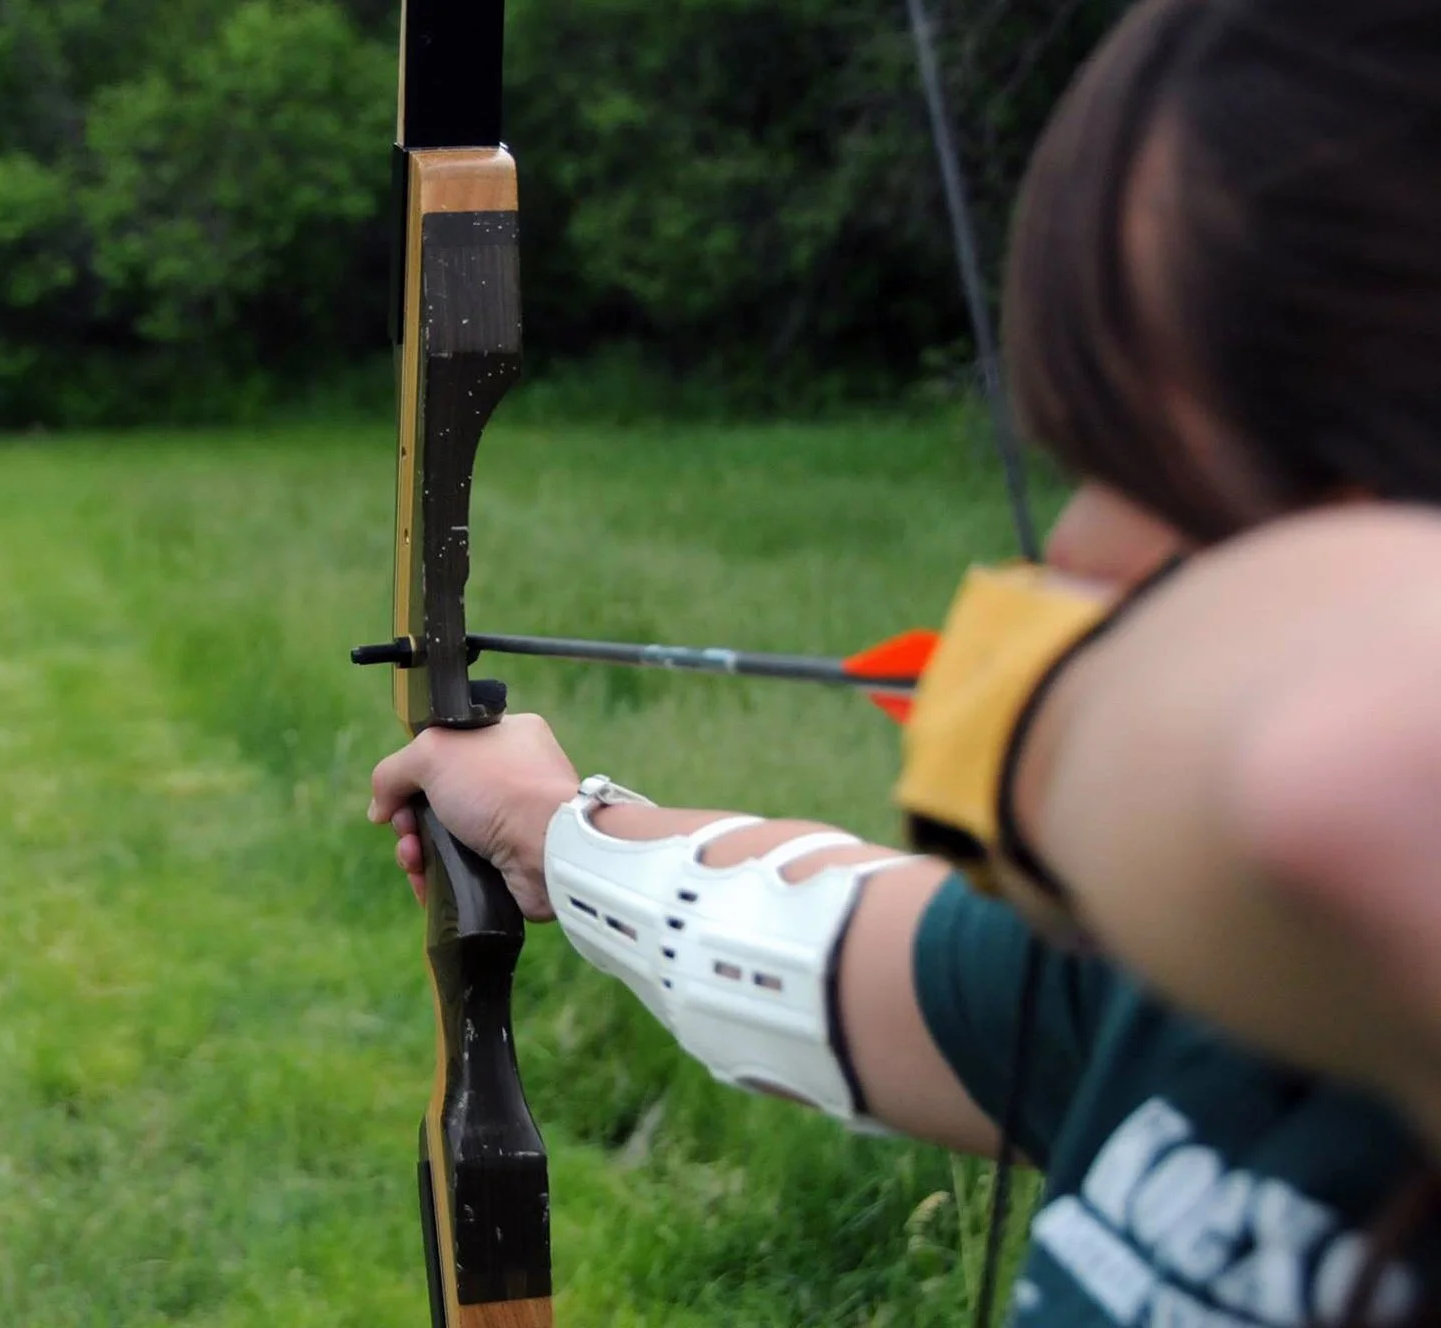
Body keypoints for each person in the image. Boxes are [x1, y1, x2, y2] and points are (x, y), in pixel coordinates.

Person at [366, 1, 1441, 1323]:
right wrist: (553, 829)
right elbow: (799, 953)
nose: (1079, 545)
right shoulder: (1176, 979)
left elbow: (1344, 771)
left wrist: (1034, 715)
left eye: (1159, 470)